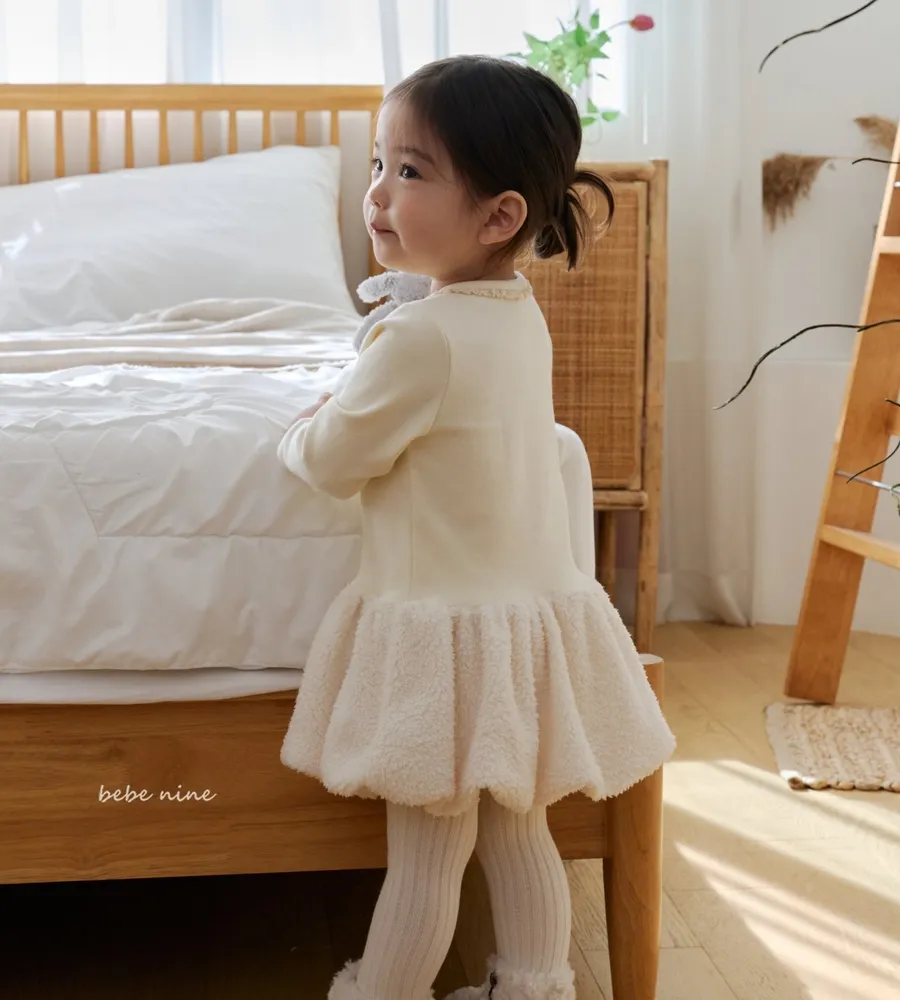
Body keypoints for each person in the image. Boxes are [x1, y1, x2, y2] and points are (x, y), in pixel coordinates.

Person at [277, 54, 676, 1000]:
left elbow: (329, 461)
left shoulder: (417, 337)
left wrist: (306, 422)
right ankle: (532, 988)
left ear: (498, 218)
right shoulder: (516, 313)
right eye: (380, 164)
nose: (378, 192)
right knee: (519, 829)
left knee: (426, 853)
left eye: (410, 171)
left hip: (442, 643)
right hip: (523, 626)